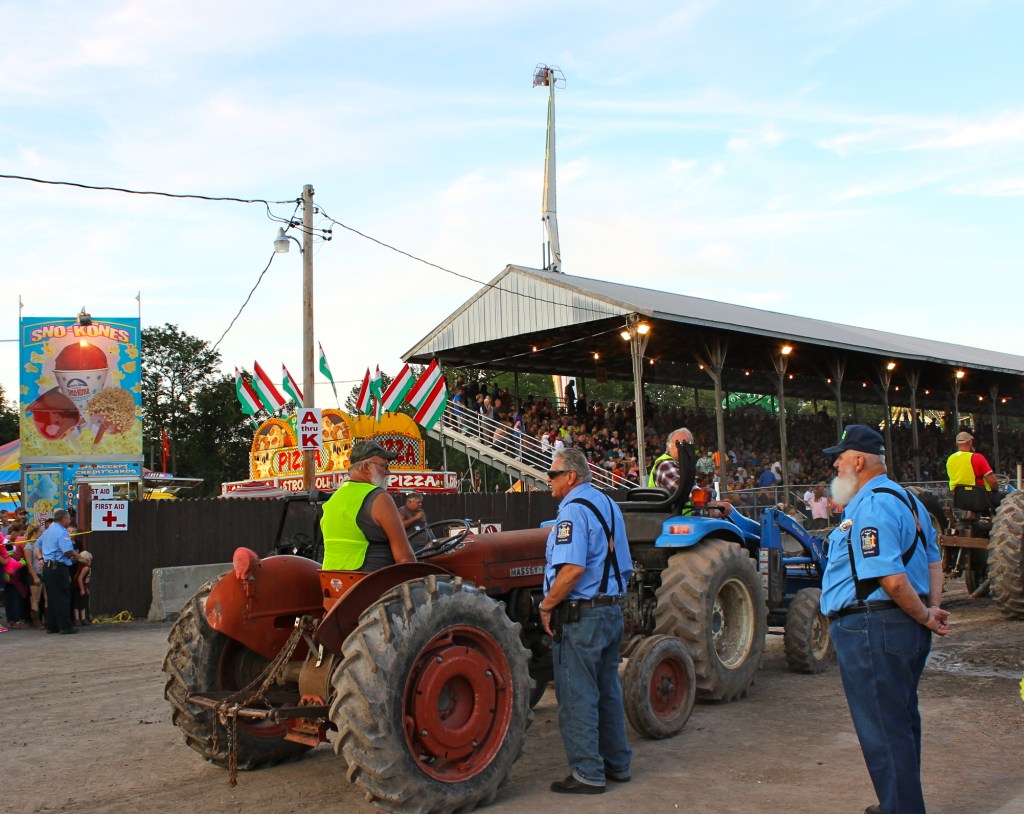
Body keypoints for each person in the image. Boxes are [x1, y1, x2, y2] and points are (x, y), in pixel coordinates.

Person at [819, 425, 950, 814]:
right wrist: (930, 610)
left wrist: (926, 613)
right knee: (901, 722)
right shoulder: (909, 500)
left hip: (872, 627)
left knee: (884, 730)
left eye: (839, 460)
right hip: (899, 626)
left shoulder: (872, 505)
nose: (836, 467)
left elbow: (891, 579)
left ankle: (902, 809)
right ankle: (899, 803)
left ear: (858, 461)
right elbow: (933, 561)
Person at [539, 448, 633, 794]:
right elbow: (623, 562)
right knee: (608, 690)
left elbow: (572, 569)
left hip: (582, 615)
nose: (549, 481)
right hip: (610, 609)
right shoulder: (609, 506)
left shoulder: (572, 513)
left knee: (577, 694)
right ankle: (618, 764)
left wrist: (547, 606)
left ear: (571, 477)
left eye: (553, 475)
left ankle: (587, 774)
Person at [320, 440, 416, 572]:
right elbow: (405, 559)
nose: (389, 473)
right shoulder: (379, 498)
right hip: (373, 585)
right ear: (366, 467)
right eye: (384, 466)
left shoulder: (333, 500)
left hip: (333, 583)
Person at [38, 508, 83, 634]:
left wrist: (41, 558)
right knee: (63, 596)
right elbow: (67, 551)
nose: (69, 520)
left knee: (53, 597)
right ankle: (65, 626)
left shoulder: (48, 531)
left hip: (48, 567)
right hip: (58, 567)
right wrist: (79, 557)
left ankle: (52, 625)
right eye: (68, 518)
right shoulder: (62, 532)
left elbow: (37, 545)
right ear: (64, 519)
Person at [946, 430, 999, 499]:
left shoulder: (950, 459)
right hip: (979, 497)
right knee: (1002, 496)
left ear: (957, 444)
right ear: (970, 442)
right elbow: (993, 482)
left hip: (959, 498)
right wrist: (996, 490)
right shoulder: (977, 457)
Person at [648, 427, 694, 492]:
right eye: (677, 444)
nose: (681, 447)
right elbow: (685, 492)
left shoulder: (682, 465)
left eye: (686, 444)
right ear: (668, 447)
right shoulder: (665, 465)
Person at [21, 523, 45, 628]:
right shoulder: (28, 546)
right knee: (36, 599)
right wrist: (35, 577)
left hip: (44, 573)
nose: (42, 533)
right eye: (40, 532)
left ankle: (47, 619)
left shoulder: (40, 544)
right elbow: (29, 563)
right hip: (35, 574)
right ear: (35, 533)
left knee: (46, 598)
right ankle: (36, 621)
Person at [73, 550, 92, 625]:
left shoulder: (83, 566)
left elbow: (86, 580)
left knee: (83, 603)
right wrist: (82, 589)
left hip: (83, 587)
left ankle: (83, 618)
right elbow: (79, 578)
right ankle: (77, 619)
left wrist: (86, 588)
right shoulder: (85, 568)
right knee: (77, 603)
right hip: (78, 587)